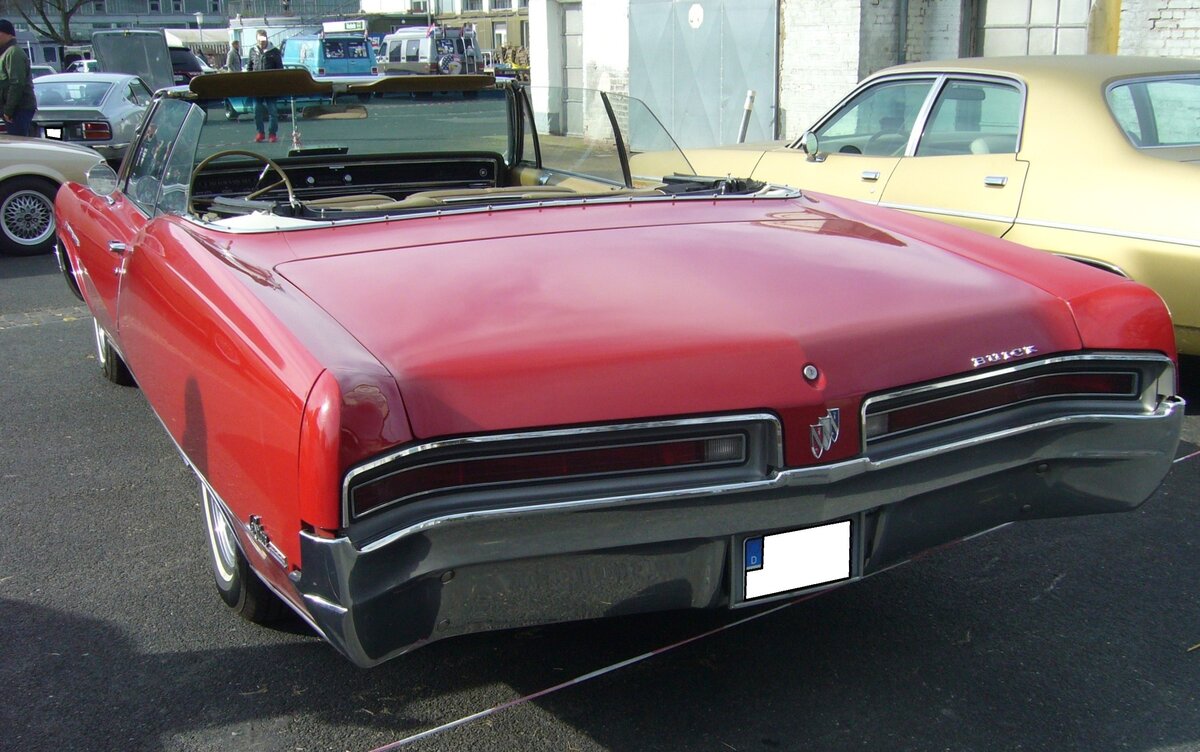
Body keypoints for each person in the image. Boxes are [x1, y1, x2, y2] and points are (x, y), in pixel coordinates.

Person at [0, 19, 37, 137]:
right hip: (14, 109)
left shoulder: (13, 52)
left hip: (19, 109)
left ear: (8, 34)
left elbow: (16, 84)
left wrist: (8, 110)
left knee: (19, 143)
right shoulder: (6, 53)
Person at [245, 30, 281, 143]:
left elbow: (280, 69)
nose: (262, 43)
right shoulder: (252, 51)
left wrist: (277, 84)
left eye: (263, 40)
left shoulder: (274, 52)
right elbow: (249, 68)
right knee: (257, 111)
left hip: (271, 87)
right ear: (256, 40)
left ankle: (272, 134)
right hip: (257, 87)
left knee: (273, 111)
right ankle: (260, 132)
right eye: (259, 40)